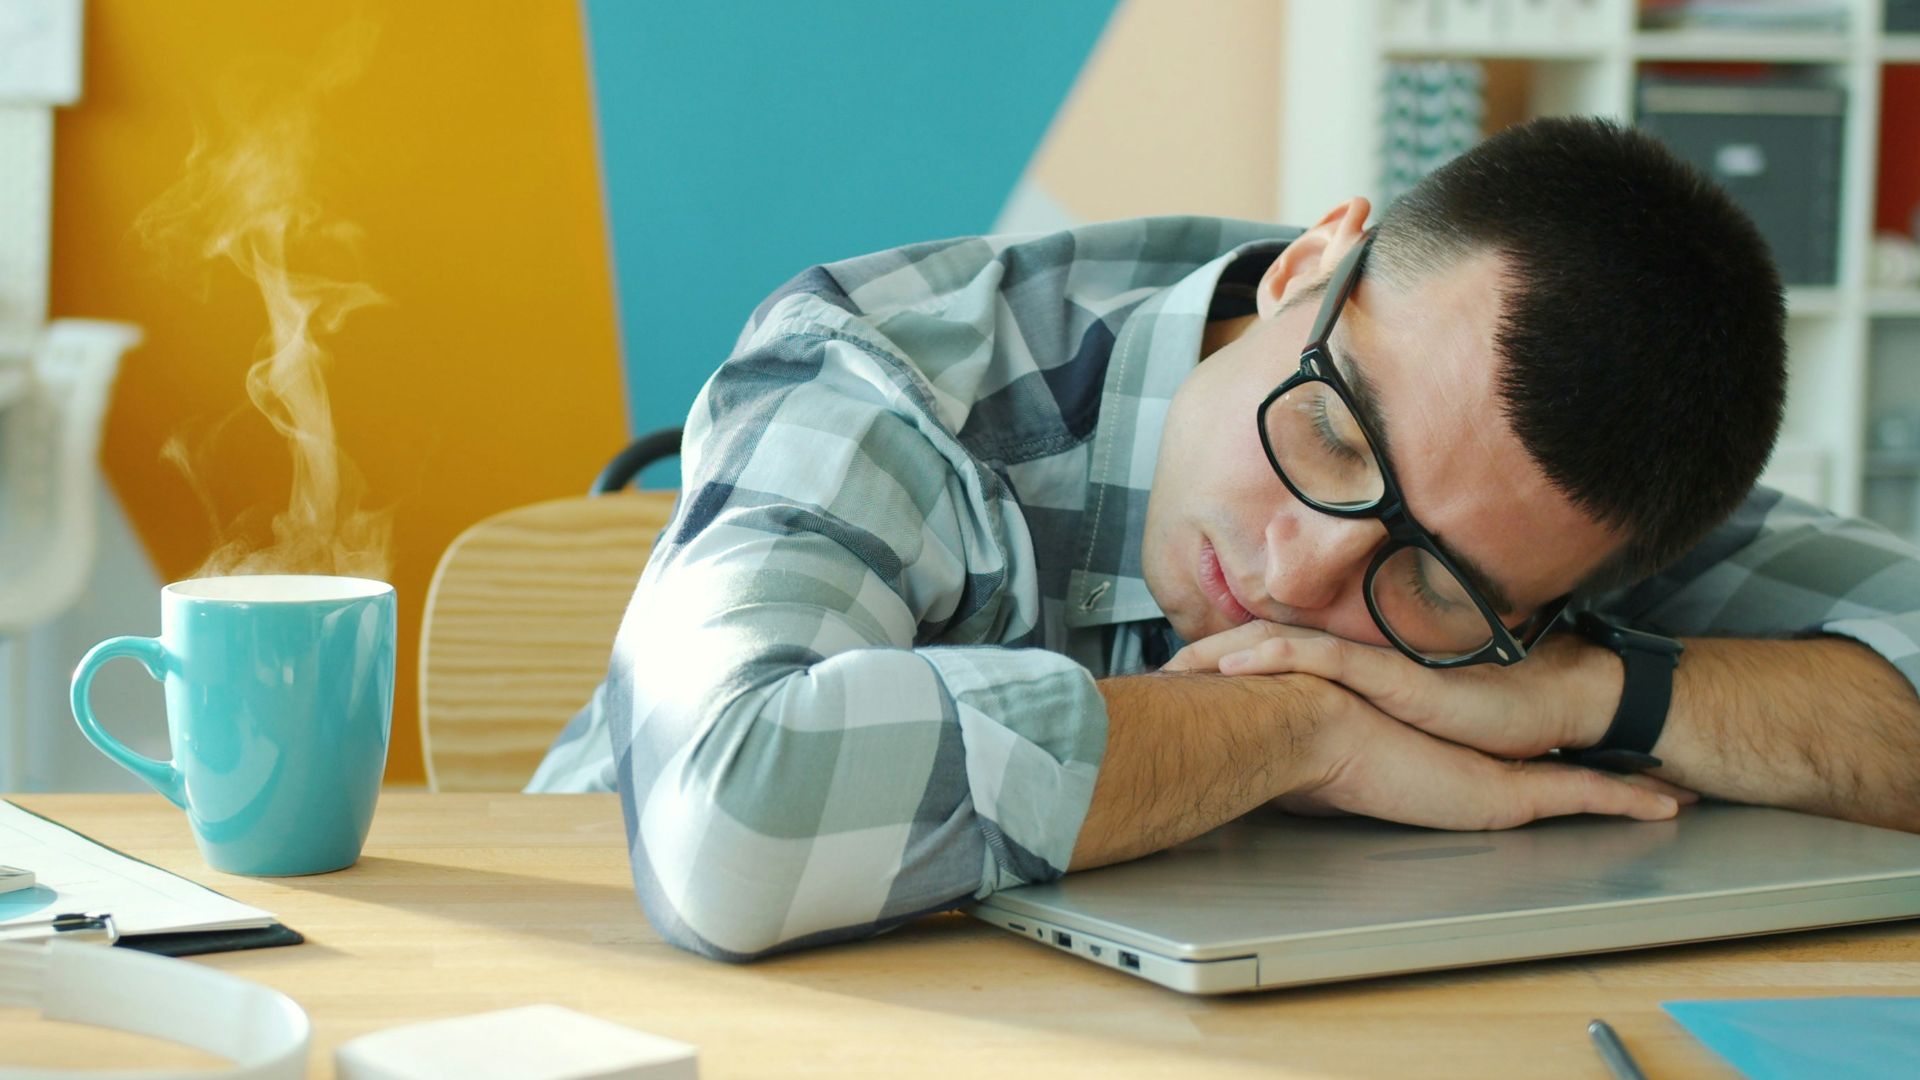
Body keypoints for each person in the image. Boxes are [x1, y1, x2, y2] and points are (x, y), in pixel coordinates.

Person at [530, 117, 1920, 961]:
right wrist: (1299, 728)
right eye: (1332, 436)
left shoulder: (1545, 495)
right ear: (1312, 266)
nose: (1305, 573)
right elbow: (735, 820)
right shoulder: (889, 371)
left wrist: (1585, 691)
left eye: (1428, 583)